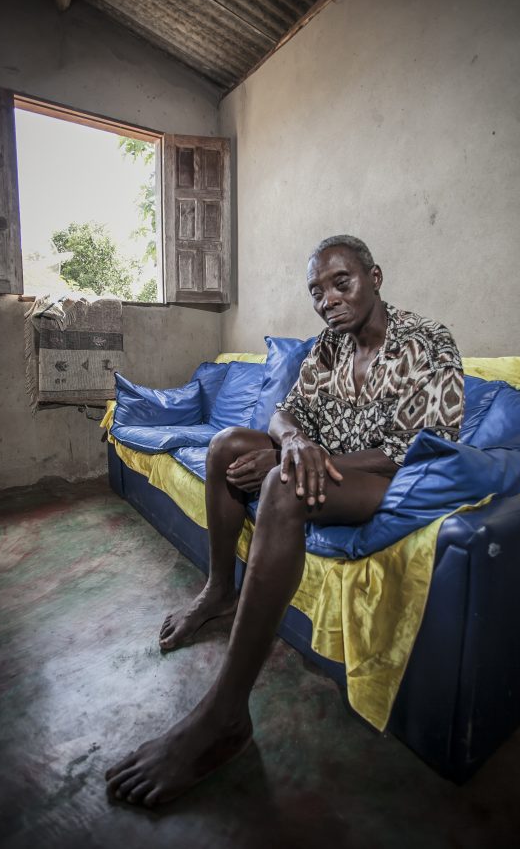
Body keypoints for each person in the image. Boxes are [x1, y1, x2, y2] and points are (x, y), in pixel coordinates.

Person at [105, 235, 464, 807]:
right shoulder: (330, 346)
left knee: (282, 484)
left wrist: (298, 461)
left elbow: (418, 449)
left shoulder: (428, 343)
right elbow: (285, 411)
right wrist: (294, 440)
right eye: (316, 292)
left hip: (392, 477)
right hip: (325, 461)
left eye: (340, 283)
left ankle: (225, 714)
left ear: (375, 277)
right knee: (224, 445)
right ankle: (219, 590)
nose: (328, 301)